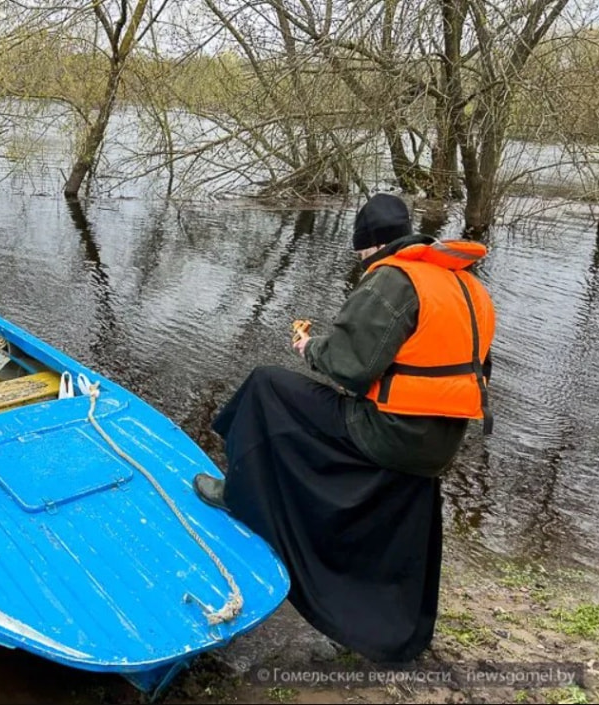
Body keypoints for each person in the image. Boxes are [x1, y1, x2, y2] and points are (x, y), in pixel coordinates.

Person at [192, 193, 496, 663]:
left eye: (360, 252)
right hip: (437, 447)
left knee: (265, 387)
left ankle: (238, 491)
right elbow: (460, 369)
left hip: (388, 435)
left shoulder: (394, 279)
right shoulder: (465, 286)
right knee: (302, 402)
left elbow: (347, 366)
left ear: (371, 244)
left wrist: (308, 345)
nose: (360, 260)